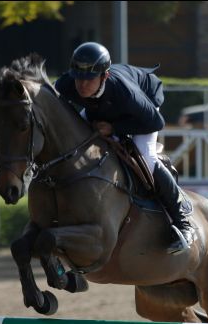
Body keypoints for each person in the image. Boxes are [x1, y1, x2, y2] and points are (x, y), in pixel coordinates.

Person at [54, 42, 195, 254]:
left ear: (104, 76)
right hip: (101, 107)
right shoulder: (65, 85)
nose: (82, 85)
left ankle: (183, 223)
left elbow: (156, 123)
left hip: (142, 111)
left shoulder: (127, 94)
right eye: (78, 78)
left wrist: (114, 128)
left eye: (89, 79)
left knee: (147, 158)